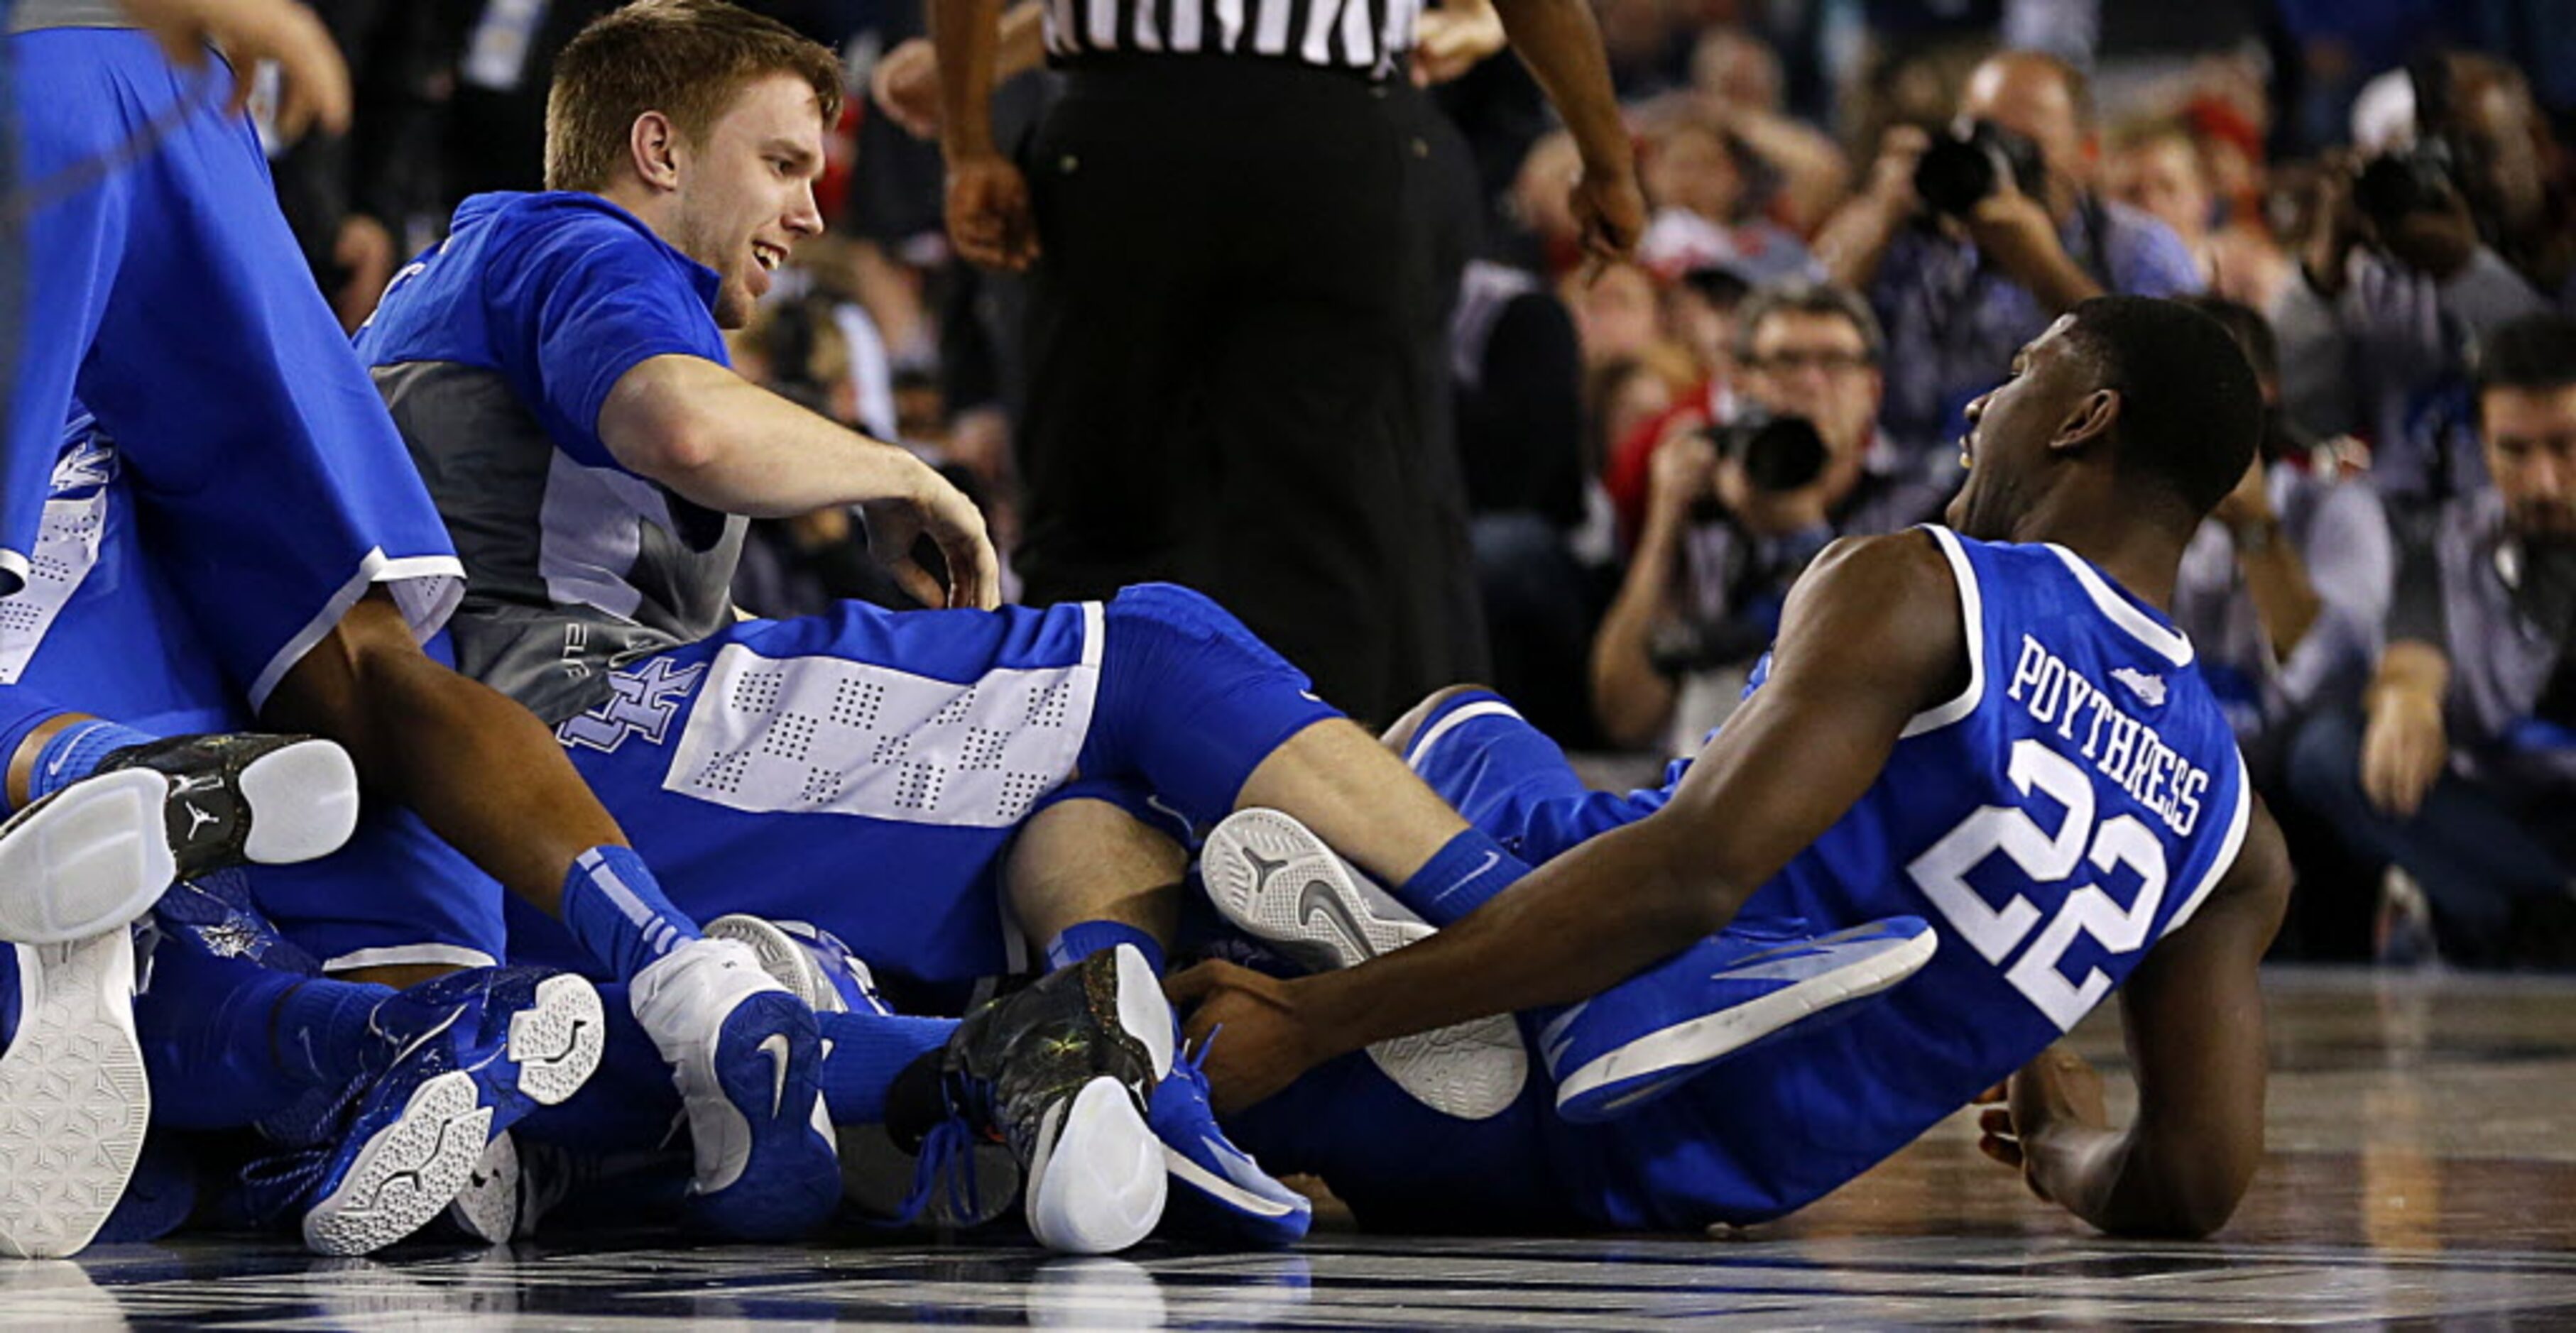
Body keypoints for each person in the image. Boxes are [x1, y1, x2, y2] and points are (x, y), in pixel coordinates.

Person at [0, 0, 990, 1244]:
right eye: (783, 168)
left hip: (70, 76)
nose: (805, 209)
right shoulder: (567, 248)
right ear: (655, 148)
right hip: (172, 109)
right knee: (359, 670)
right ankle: (770, 1012)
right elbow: (682, 424)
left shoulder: (521, 248)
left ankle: (100, 781)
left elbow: (682, 421)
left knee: (159, 871)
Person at [1171, 297, 2295, 1239]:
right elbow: (2193, 1181)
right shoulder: (2236, 834)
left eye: (2015, 376)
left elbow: (1687, 875)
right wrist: (2055, 1143)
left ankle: (1580, 990)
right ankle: (1528, 971)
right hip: (1668, 1187)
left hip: (1534, 1011)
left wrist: (1319, 1016)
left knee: (1172, 659)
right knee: (1471, 728)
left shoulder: (1930, 586)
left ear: (2084, 419)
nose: (1976, 408)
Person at [933, 0, 1645, 724]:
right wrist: (1607, 160)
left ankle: (1081, 798)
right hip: (1329, 139)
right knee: (1338, 528)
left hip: (1122, 135)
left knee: (1100, 517)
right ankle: (1335, 809)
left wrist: (968, 145)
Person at [2286, 312, 2576, 968]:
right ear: (2480, 442)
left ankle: (2519, 924)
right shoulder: (2444, 542)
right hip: (2497, 820)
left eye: (2566, 446)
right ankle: (2547, 916)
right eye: (2516, 451)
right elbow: (2414, 654)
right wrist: (2404, 702)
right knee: (2329, 751)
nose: (2544, 484)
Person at [1590, 279, 1949, 752]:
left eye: (1835, 363)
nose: (1810, 383)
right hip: (1699, 768)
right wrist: (1666, 519)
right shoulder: (1709, 497)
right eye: (1786, 361)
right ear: (1743, 383)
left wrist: (1800, 534)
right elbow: (1625, 715)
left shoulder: (1920, 508)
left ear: (1872, 390)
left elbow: (1891, 697)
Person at [1815, 51, 2203, 472]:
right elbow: (1805, 317)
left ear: (2086, 151)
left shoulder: (2135, 248)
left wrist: (2044, 267)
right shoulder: (1919, 235)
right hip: (1906, 490)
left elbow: (2174, 391)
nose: (1998, 156)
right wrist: (1880, 215)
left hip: (2067, 494)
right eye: (1981, 135)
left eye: (2024, 141)